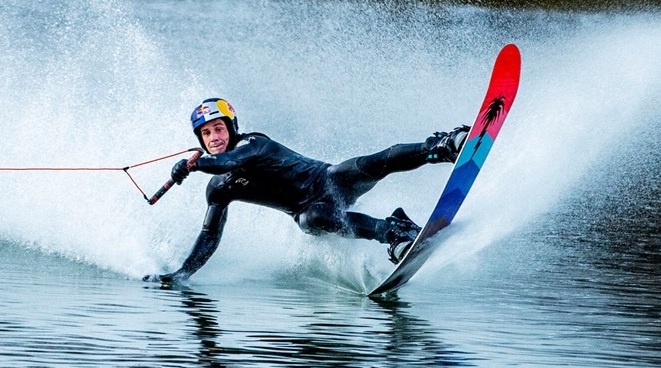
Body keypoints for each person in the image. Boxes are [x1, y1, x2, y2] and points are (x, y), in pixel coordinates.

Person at [145, 98, 468, 284]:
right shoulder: (219, 188)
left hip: (330, 182)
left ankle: (443, 146)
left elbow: (228, 160)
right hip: (311, 211)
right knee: (310, 219)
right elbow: (209, 235)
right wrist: (182, 273)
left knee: (367, 164)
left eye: (218, 129)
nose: (213, 137)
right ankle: (395, 233)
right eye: (206, 133)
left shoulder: (254, 144)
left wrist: (196, 166)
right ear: (199, 140)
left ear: (232, 128)